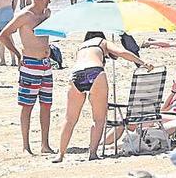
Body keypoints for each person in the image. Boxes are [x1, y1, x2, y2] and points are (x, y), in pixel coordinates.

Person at [53, 32, 154, 163]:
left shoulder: (81, 46)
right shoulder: (102, 42)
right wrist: (142, 62)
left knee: (70, 119)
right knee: (98, 119)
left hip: (75, 75)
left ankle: (60, 154)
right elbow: (122, 52)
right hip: (95, 72)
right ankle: (93, 153)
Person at [0, 0, 55, 155]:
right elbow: (3, 35)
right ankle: (26, 146)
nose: (48, 0)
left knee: (46, 105)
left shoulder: (47, 13)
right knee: (27, 105)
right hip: (30, 64)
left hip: (46, 64)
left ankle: (45, 145)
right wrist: (17, 54)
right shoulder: (25, 16)